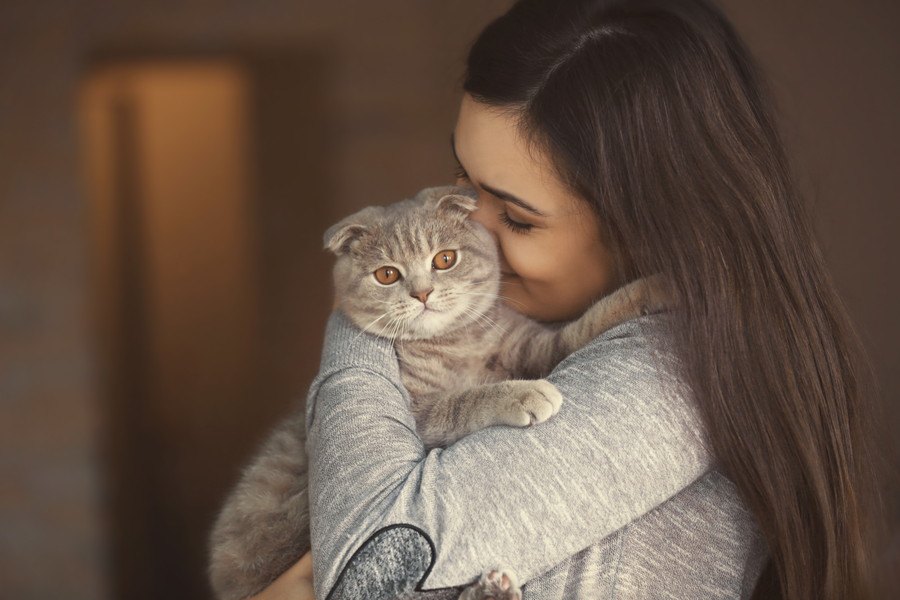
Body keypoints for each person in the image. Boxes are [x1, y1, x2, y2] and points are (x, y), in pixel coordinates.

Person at [249, 0, 890, 598]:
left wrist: (362, 314)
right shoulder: (544, 333)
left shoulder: (673, 369)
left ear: (648, 229)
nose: (468, 232)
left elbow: (367, 571)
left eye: (520, 220)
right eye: (463, 186)